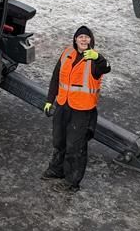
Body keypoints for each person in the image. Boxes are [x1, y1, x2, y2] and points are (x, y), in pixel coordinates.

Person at [41, 25, 111, 193]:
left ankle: (71, 182)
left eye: (87, 37)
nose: (83, 39)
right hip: (63, 106)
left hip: (82, 110)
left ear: (91, 40)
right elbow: (56, 77)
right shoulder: (66, 54)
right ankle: (57, 170)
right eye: (80, 37)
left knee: (75, 146)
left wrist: (98, 57)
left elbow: (107, 67)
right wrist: (50, 100)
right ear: (75, 39)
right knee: (59, 140)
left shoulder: (95, 60)